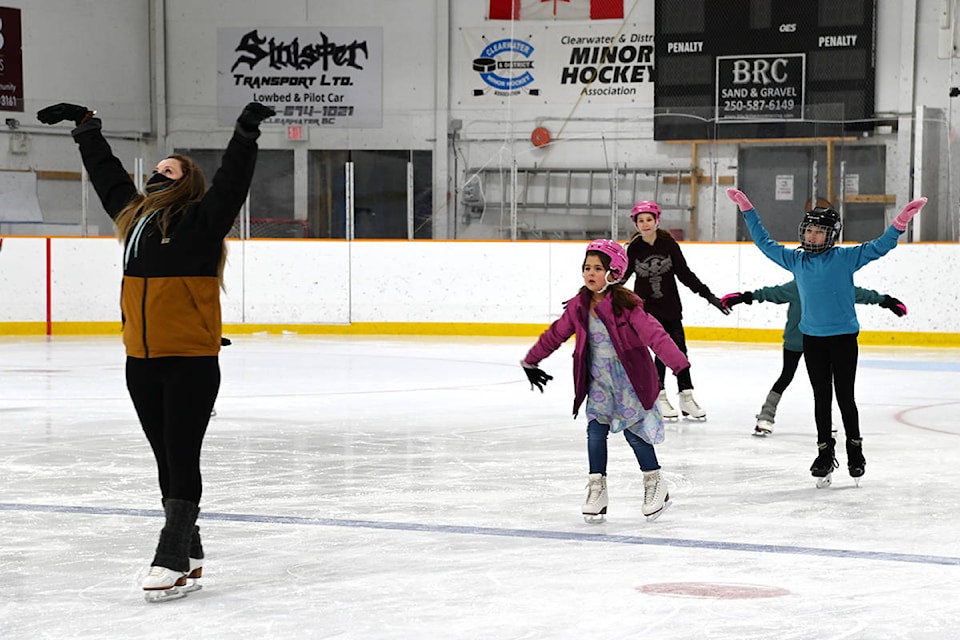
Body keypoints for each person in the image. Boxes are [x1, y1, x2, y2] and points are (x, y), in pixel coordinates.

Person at [37, 100, 275, 600]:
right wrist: (86, 127)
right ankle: (191, 551)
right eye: (156, 170)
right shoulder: (133, 218)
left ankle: (171, 553)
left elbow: (232, 180)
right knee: (165, 457)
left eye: (168, 171)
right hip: (140, 360)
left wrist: (245, 133)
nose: (156, 176)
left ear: (186, 182)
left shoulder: (203, 220)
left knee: (183, 455)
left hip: (190, 360)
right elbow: (107, 176)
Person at [726, 188, 926, 487]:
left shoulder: (845, 258)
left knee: (846, 398)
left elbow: (880, 246)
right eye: (808, 231)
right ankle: (824, 453)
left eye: (818, 232)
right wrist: (748, 210)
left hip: (844, 338)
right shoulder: (796, 261)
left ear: (831, 236)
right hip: (813, 340)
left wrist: (900, 221)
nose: (811, 237)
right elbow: (764, 243)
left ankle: (855, 451)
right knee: (822, 398)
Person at [520, 240, 690, 522]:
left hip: (629, 381)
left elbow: (655, 335)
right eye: (587, 267)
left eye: (598, 268)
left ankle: (655, 482)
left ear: (614, 272)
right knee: (595, 432)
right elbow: (555, 334)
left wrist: (678, 364)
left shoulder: (628, 306)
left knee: (635, 434)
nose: (590, 273)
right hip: (598, 381)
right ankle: (597, 489)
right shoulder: (578, 307)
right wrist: (531, 359)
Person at [721, 280, 907, 436]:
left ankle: (826, 420)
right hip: (796, 340)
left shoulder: (838, 286)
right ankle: (765, 416)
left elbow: (861, 294)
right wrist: (744, 297)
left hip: (823, 342)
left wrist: (886, 301)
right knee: (786, 376)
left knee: (825, 383)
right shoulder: (799, 285)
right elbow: (771, 293)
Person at [622, 200, 730, 421]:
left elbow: (684, 274)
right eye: (640, 220)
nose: (645, 224)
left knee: (680, 352)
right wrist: (595, 293)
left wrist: (709, 296)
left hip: (670, 309)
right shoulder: (633, 249)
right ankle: (659, 396)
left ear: (657, 220)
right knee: (661, 353)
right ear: (636, 223)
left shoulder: (668, 243)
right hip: (647, 312)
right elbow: (621, 277)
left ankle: (686, 396)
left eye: (649, 219)